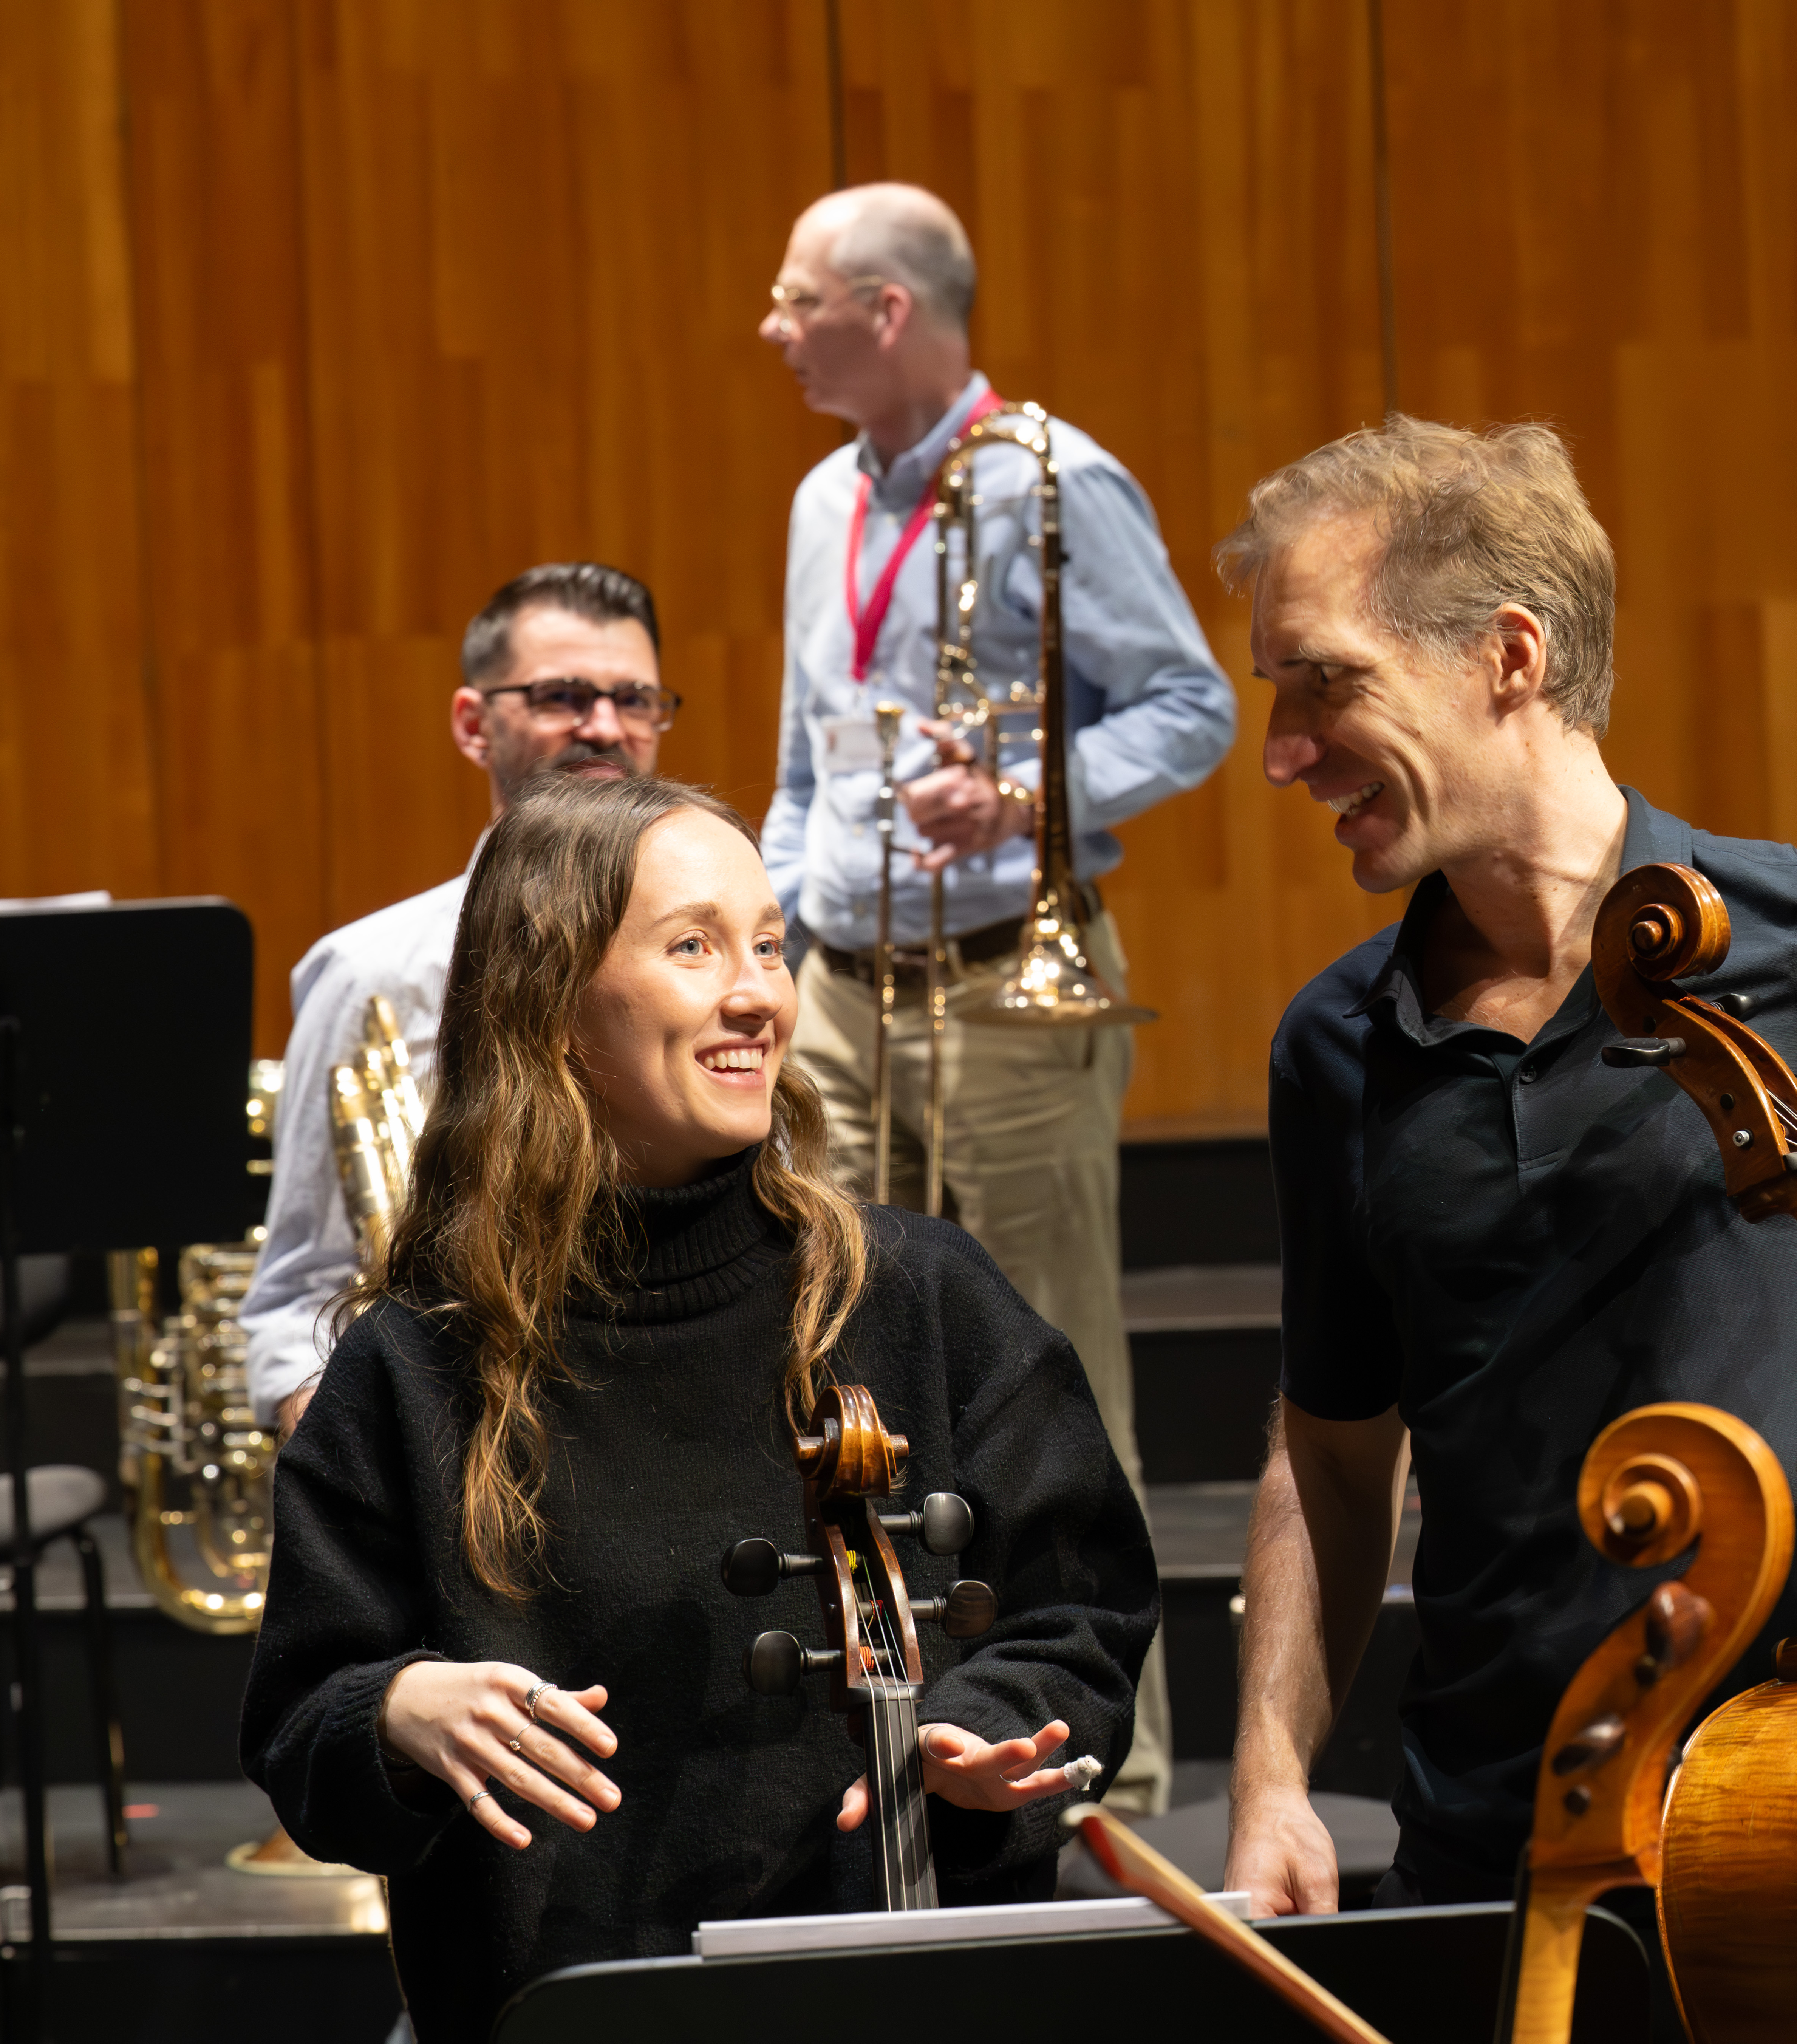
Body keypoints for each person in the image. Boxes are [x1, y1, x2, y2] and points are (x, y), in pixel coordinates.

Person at [1217, 417, 1797, 1916]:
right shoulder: (1335, 1045)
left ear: (1510, 655)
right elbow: (1328, 1458)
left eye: (1326, 680)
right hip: (1505, 1829)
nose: (1282, 750)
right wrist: (1267, 1774)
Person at [242, 775, 1154, 2044]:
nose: (758, 995)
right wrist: (395, 1711)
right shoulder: (417, 1362)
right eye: (694, 947)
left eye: (771, 947)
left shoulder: (918, 1298)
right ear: (554, 1007)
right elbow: (302, 1726)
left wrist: (985, 1724)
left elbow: (1082, 1613)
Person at [758, 181, 1232, 1813]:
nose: (773, 327)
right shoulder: (827, 497)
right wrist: (770, 930)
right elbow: (804, 759)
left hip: (1005, 988)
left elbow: (1192, 705)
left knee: (1052, 1372)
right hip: (839, 985)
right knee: (837, 1369)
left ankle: (1121, 1760)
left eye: (796, 299)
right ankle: (889, 1738)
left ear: (885, 311)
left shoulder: (1057, 477)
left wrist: (1032, 790)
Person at [241, 562, 671, 1436]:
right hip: (455, 1441)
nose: (605, 726)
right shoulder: (371, 972)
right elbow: (298, 1296)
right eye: (563, 695)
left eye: (636, 699)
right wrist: (353, 1462)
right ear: (475, 724)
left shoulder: (729, 954)